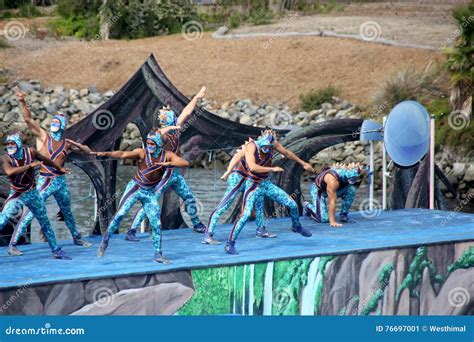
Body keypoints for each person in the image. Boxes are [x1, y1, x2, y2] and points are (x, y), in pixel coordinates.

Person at [9, 87, 93, 256]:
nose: (54, 124)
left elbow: (87, 151)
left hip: (61, 182)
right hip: (45, 181)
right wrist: (21, 101)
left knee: (67, 211)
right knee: (30, 212)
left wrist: (76, 145)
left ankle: (76, 237)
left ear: (63, 125)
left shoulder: (66, 143)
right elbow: (28, 119)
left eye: (57, 122)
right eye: (53, 121)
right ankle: (13, 244)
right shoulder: (43, 136)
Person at [95, 129, 190, 263]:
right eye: (148, 143)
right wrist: (106, 153)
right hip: (135, 188)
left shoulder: (166, 155)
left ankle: (158, 254)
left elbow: (185, 163)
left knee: (156, 223)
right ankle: (105, 240)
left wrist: (169, 164)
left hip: (149, 193)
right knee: (120, 215)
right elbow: (123, 154)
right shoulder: (142, 152)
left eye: (152, 144)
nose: (149, 146)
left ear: (158, 144)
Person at [125, 86, 207, 241]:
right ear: (166, 120)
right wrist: (167, 128)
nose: (169, 109)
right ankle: (132, 230)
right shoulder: (160, 135)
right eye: (166, 111)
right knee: (151, 199)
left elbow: (187, 112)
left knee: (188, 196)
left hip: (174, 173)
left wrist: (197, 97)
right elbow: (154, 135)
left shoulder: (175, 129)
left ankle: (196, 223)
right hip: (162, 174)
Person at [221, 130, 315, 254]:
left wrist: (303, 163)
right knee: (245, 214)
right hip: (253, 184)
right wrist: (272, 168)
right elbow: (253, 167)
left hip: (265, 183)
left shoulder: (273, 144)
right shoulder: (251, 146)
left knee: (292, 204)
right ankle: (230, 243)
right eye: (264, 147)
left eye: (269, 147)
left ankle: (296, 226)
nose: (266, 149)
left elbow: (287, 153)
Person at [1, 133, 71, 259]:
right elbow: (9, 171)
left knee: (44, 222)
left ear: (18, 144)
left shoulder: (31, 152)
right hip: (17, 194)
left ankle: (56, 250)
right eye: (8, 144)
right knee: (2, 220)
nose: (10, 146)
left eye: (12, 144)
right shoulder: (6, 158)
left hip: (33, 194)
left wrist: (59, 168)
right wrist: (30, 166)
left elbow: (46, 160)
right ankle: (11, 247)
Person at [303, 162, 363, 227]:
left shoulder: (348, 176)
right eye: (353, 178)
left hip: (337, 187)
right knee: (324, 219)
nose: (355, 180)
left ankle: (344, 214)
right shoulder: (333, 180)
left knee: (351, 189)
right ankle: (307, 206)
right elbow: (332, 202)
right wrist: (332, 222)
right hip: (319, 190)